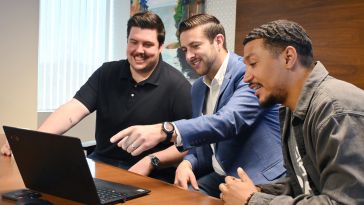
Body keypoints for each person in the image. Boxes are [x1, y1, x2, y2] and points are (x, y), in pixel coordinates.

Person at [1, 11, 192, 183]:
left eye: (148, 44)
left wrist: (151, 161)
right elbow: (73, 110)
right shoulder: (107, 72)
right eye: (134, 42)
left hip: (149, 176)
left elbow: (190, 143)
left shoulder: (178, 86)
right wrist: (32, 141)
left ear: (160, 47)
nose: (139, 50)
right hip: (101, 168)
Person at [110, 14, 286, 198]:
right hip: (223, 176)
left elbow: (228, 121)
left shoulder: (247, 73)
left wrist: (166, 130)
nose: (189, 56)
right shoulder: (198, 88)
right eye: (184, 49)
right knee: (167, 199)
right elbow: (202, 146)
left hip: (260, 179)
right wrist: (188, 163)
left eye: (195, 46)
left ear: (218, 41)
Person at [219, 19, 364, 205]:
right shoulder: (290, 109)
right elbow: (305, 184)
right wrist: (258, 191)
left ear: (288, 57)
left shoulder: (336, 110)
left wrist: (253, 200)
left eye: (253, 63)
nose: (246, 78)